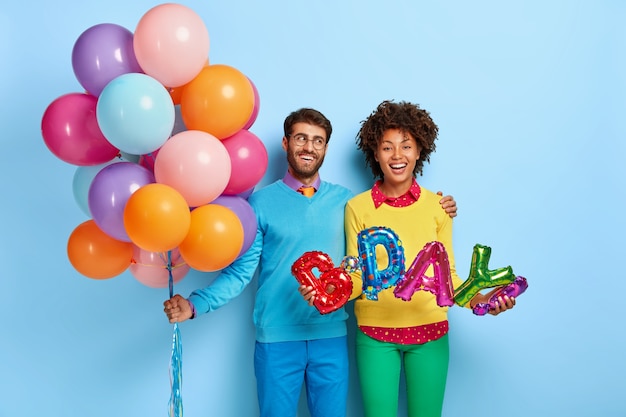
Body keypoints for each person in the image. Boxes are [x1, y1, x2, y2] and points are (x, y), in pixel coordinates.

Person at [163, 108, 458, 417]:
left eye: (317, 140)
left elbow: (379, 248)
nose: (309, 147)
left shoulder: (347, 203)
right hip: (276, 341)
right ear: (285, 143)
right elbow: (241, 272)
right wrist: (196, 304)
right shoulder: (260, 204)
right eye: (301, 138)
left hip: (330, 339)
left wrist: (434, 205)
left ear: (326, 148)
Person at [342, 100, 515, 417]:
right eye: (387, 147)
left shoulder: (439, 207)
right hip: (374, 335)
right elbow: (357, 276)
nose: (397, 156)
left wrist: (485, 301)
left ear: (419, 151)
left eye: (406, 146)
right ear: (375, 154)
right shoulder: (357, 207)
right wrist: (327, 293)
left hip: (431, 333)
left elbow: (449, 278)